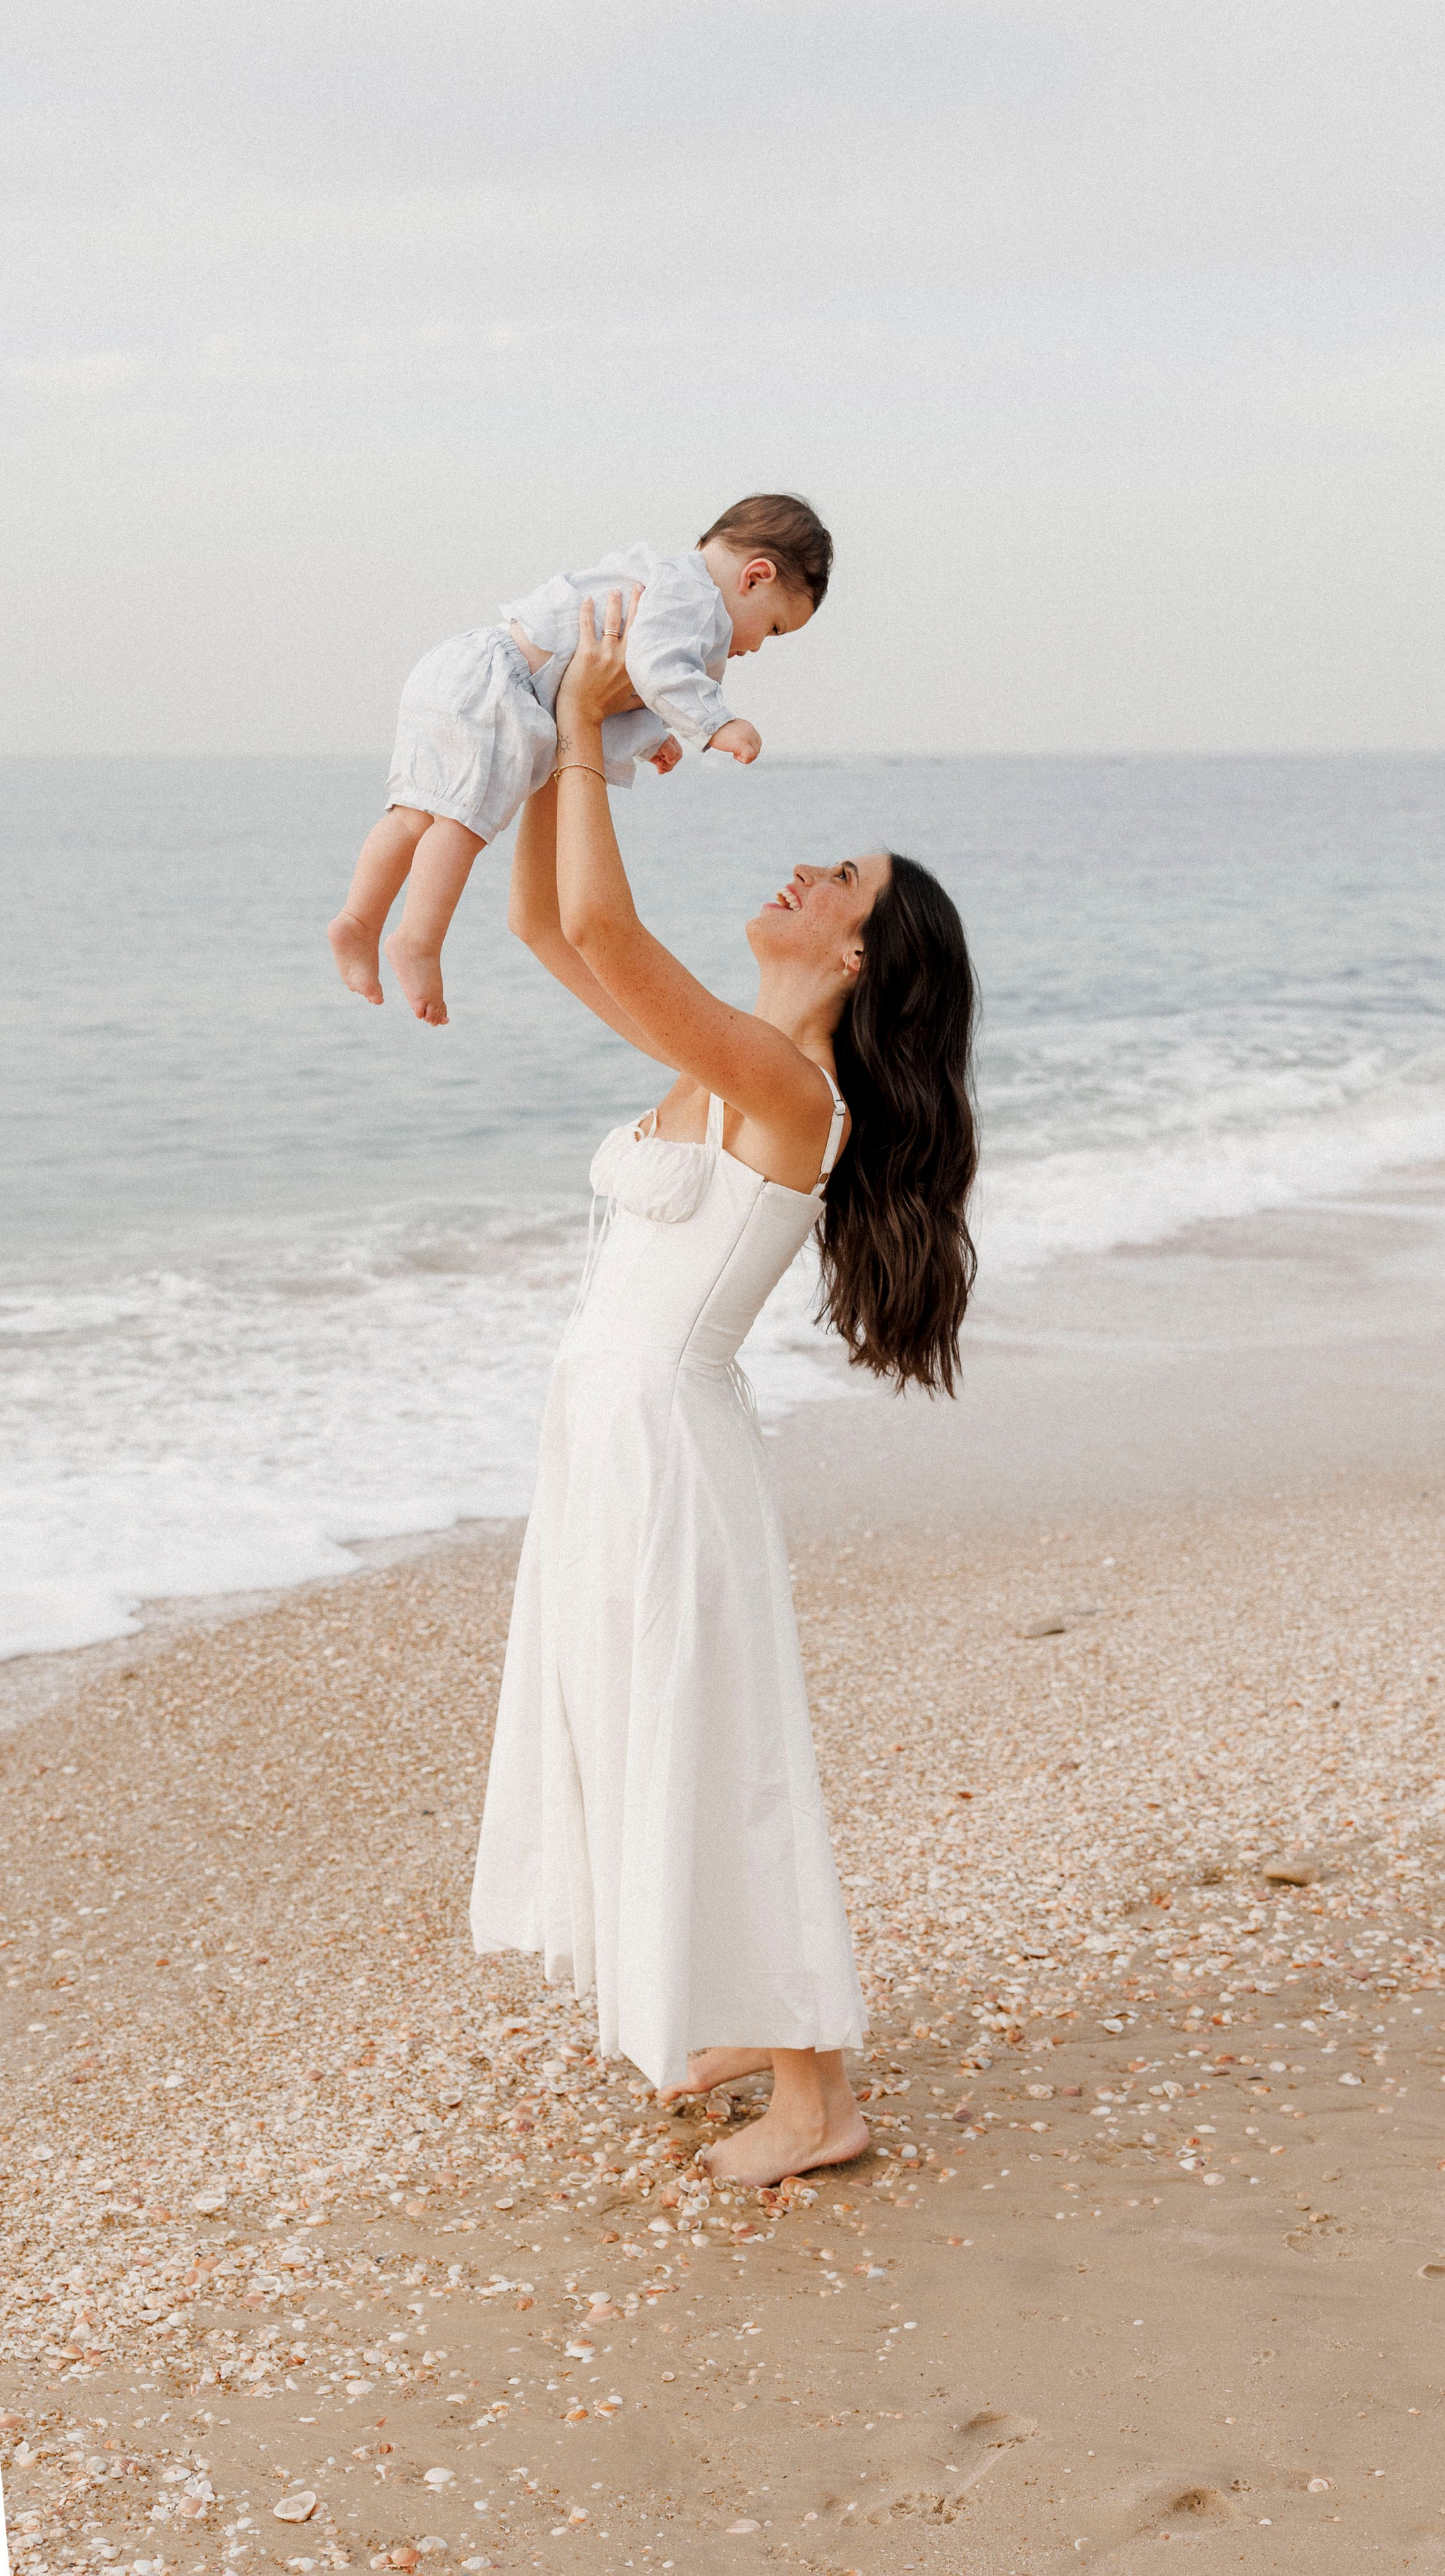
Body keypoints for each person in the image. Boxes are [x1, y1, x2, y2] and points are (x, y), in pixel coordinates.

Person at [469, 587, 978, 2186]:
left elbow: (610, 935)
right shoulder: (716, 1059)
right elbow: (546, 933)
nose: (807, 868)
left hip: (664, 1450)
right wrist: (563, 752)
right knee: (636, 1730)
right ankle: (743, 2020)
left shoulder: (782, 1083)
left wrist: (577, 733)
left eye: (844, 880)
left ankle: (821, 2099)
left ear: (857, 951)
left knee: (716, 1745)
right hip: (606, 1438)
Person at [328, 494, 832, 1025]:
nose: (756, 647)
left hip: (466, 664)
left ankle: (357, 920)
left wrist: (648, 738)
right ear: (754, 577)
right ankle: (417, 940)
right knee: (459, 825)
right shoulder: (697, 599)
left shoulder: (662, 580)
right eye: (774, 628)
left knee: (413, 815)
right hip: (505, 687)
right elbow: (654, 665)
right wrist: (716, 724)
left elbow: (621, 680)